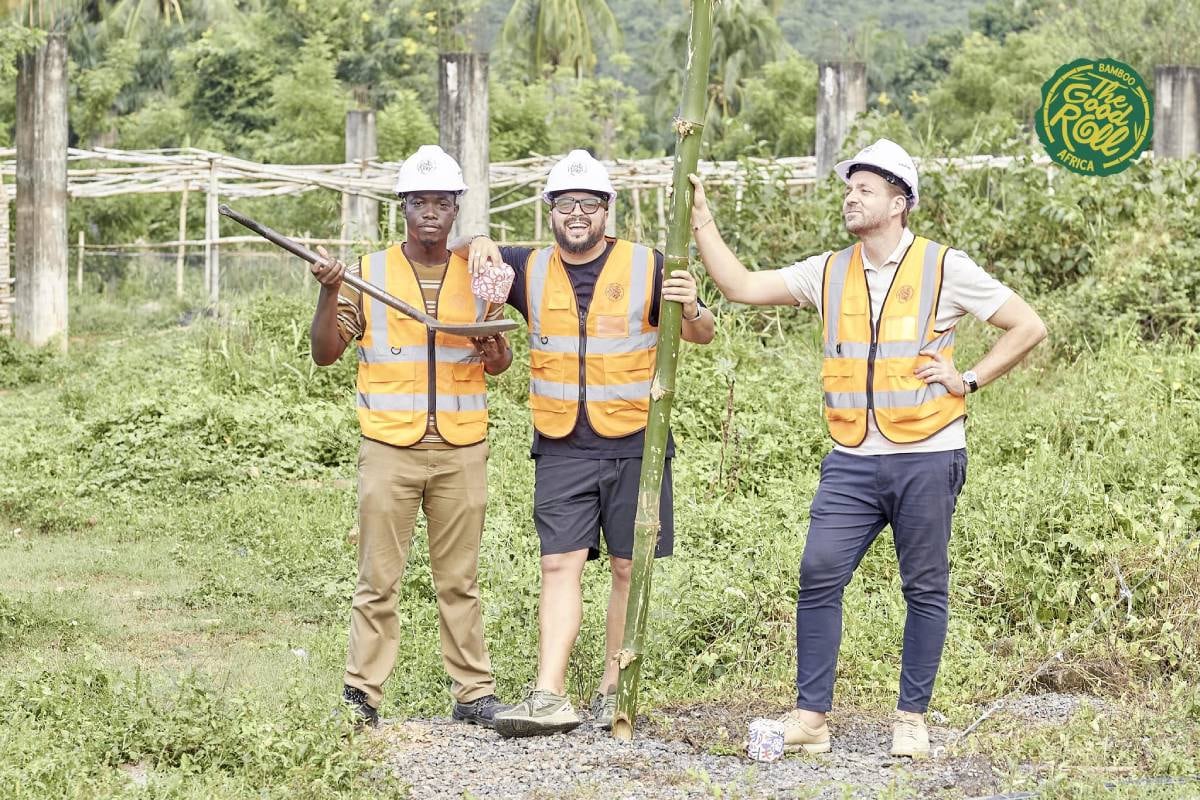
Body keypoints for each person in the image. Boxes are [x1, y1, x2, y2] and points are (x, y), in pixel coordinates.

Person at [688, 139, 1047, 758]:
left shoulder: (943, 267)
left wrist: (968, 380)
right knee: (819, 571)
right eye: (848, 189)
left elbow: (1029, 325)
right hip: (852, 458)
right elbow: (741, 285)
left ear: (899, 203)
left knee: (924, 586)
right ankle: (810, 718)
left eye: (865, 189)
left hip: (928, 452)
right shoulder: (828, 271)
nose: (851, 198)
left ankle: (911, 719)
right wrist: (700, 219)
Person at [464, 150, 716, 737]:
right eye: (564, 205)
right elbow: (460, 251)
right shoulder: (525, 267)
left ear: (607, 210)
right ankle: (549, 694)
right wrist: (477, 239)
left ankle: (611, 689)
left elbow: (702, 332)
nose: (576, 214)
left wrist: (693, 302)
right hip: (560, 442)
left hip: (634, 441)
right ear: (549, 211)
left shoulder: (649, 265)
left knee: (629, 567)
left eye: (589, 204)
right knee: (558, 563)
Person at [309, 144, 512, 729]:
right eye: (419, 201)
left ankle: (474, 693)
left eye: (441, 203)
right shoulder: (368, 274)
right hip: (389, 449)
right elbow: (326, 354)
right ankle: (360, 695)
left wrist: (492, 346)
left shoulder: (477, 275)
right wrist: (329, 290)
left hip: (460, 448)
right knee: (377, 578)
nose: (430, 212)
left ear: (455, 210)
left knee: (460, 579)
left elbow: (497, 363)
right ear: (402, 207)